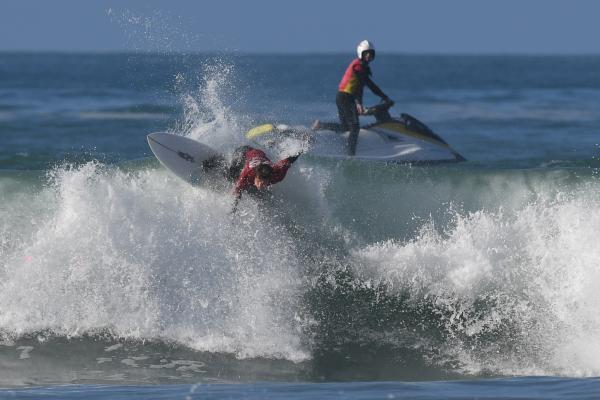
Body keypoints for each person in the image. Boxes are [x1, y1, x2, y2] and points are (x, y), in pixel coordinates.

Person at [313, 40, 392, 155]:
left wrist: (384, 96)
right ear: (361, 53)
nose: (369, 55)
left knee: (346, 127)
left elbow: (369, 84)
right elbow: (360, 85)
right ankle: (351, 155)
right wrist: (359, 103)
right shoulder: (358, 66)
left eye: (371, 53)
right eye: (366, 53)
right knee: (355, 127)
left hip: (342, 97)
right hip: (345, 97)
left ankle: (321, 125)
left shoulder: (362, 66)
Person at [227, 145, 301, 213]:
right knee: (231, 176)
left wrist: (301, 149)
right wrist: (234, 208)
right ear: (255, 176)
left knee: (259, 194)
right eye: (259, 181)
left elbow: (289, 160)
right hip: (243, 152)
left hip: (260, 154)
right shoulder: (248, 173)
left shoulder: (277, 174)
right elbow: (237, 191)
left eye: (264, 183)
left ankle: (270, 145)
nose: (260, 185)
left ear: (269, 179)